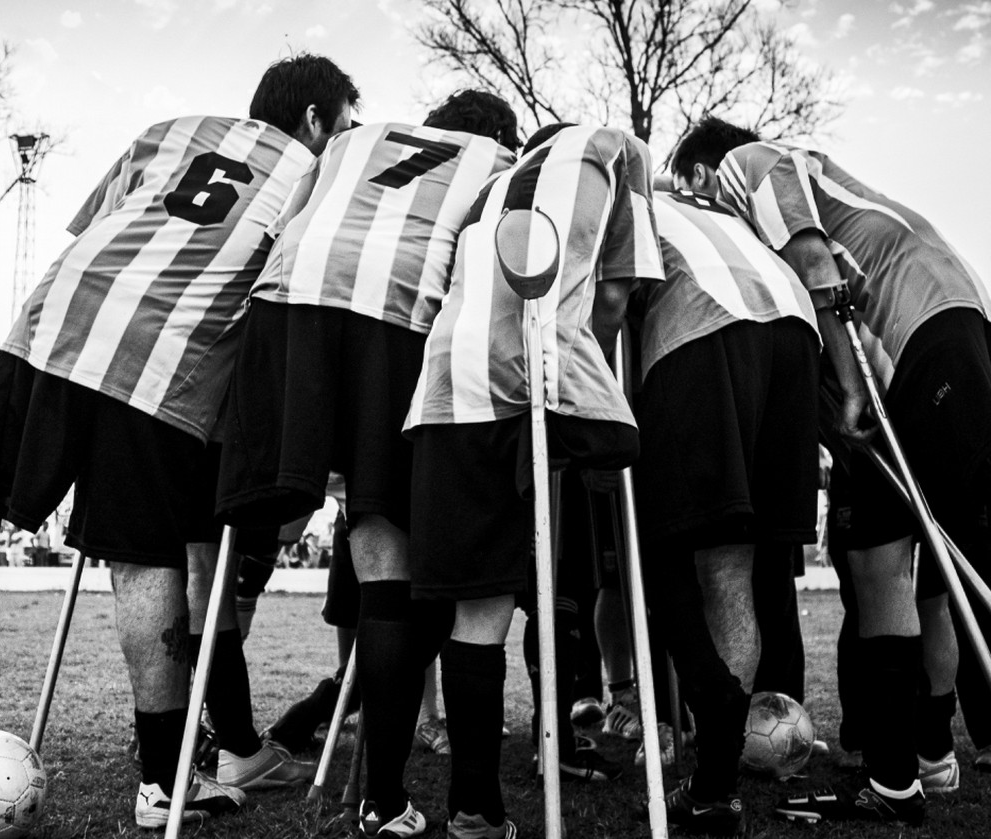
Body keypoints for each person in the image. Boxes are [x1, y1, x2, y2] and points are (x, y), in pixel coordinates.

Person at [0, 53, 359, 830]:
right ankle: (165, 780)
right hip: (162, 350)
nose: (347, 135)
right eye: (345, 120)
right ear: (315, 118)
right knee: (151, 554)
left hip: (55, 323)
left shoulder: (172, 129)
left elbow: (94, 229)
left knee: (175, 547)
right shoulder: (319, 173)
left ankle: (227, 748)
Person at [216, 89, 521, 838]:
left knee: (384, 564)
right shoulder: (501, 164)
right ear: (500, 135)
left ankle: (382, 801)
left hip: (291, 305)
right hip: (402, 315)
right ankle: (473, 805)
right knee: (468, 578)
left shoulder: (360, 139)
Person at [671, 114, 991, 824]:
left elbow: (816, 264)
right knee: (900, 562)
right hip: (953, 324)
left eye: (684, 185)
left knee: (914, 564)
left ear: (696, 172)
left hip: (916, 342)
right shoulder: (824, 173)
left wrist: (846, 384)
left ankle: (899, 775)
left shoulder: (747, 164)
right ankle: (905, 771)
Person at [405, 122, 663, 839]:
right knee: (621, 465)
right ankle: (610, 696)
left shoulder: (489, 188)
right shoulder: (615, 155)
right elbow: (612, 299)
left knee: (476, 608)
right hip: (534, 381)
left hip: (447, 391)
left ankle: (475, 809)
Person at [630, 183, 821, 833]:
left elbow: (603, 303)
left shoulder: (619, 195)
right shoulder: (718, 209)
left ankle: (712, 766)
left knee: (665, 549)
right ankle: (715, 784)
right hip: (794, 327)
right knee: (730, 569)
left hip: (699, 328)